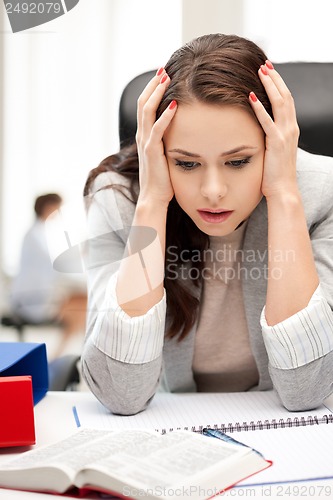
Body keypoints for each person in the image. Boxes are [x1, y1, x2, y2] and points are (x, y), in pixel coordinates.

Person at [81, 34, 333, 415]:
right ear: (158, 151)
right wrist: (152, 203)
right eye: (186, 163)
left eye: (238, 161)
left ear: (273, 143)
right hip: (167, 435)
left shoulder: (322, 192)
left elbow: (307, 390)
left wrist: (283, 194)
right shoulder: (118, 197)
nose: (213, 191)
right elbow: (121, 394)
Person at [10, 193, 87, 357]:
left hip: (37, 296)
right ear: (47, 207)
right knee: (81, 306)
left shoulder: (38, 233)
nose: (58, 213)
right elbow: (53, 269)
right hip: (31, 300)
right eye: (57, 208)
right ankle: (58, 357)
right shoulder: (34, 236)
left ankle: (59, 357)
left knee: (81, 307)